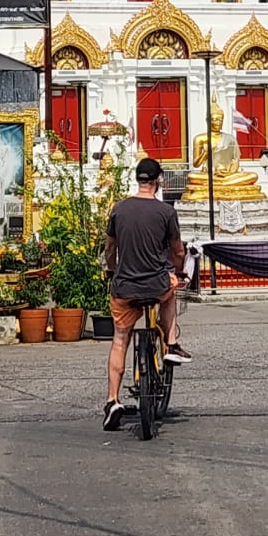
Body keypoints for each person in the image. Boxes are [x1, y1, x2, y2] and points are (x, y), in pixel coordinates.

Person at [102, 156, 190, 431]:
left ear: (137, 179)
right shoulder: (165, 212)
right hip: (156, 284)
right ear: (158, 181)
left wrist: (114, 270)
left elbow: (109, 250)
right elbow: (177, 251)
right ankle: (171, 343)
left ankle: (112, 401)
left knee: (119, 339)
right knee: (171, 288)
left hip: (125, 286)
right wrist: (179, 271)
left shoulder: (118, 209)